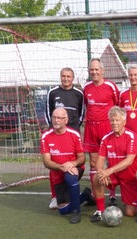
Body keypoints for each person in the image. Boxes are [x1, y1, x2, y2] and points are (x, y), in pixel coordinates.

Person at [41, 108, 93, 224]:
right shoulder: (46, 136)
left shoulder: (74, 135)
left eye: (59, 118)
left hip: (74, 169)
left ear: (66, 120)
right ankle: (85, 195)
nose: (56, 120)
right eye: (54, 117)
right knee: (63, 210)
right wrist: (61, 167)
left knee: (70, 177)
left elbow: (82, 159)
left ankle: (76, 212)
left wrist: (72, 164)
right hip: (58, 172)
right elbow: (46, 161)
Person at [91, 107, 137, 221]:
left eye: (117, 120)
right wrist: (100, 172)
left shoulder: (132, 136)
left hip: (130, 177)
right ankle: (100, 210)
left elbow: (129, 161)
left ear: (124, 122)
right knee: (96, 178)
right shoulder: (106, 138)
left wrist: (109, 171)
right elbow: (100, 160)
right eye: (112, 120)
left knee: (130, 213)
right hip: (113, 175)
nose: (114, 123)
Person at [82, 58, 121, 207]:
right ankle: (96, 193)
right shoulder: (86, 88)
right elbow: (86, 106)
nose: (94, 72)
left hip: (107, 127)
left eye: (97, 69)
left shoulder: (111, 86)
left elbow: (117, 105)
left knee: (111, 160)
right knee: (93, 163)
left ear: (102, 71)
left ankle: (112, 193)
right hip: (91, 128)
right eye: (92, 69)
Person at [44, 67, 84, 210]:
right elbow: (48, 113)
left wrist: (72, 129)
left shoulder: (79, 94)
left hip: (72, 133)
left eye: (68, 76)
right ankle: (55, 196)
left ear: (72, 78)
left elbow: (81, 114)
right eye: (63, 76)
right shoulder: (53, 92)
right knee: (55, 163)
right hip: (56, 133)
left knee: (74, 163)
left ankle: (70, 189)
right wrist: (55, 128)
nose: (66, 79)